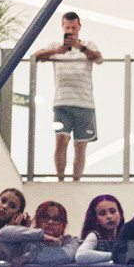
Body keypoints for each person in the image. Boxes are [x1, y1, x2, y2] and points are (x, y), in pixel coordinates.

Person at [34, 12, 102, 184]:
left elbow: (98, 58)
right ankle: (61, 179)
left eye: (73, 27)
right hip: (62, 102)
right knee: (61, 140)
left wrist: (80, 47)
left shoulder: (88, 45)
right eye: (67, 28)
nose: (70, 31)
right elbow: (36, 56)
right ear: (62, 27)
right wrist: (57, 51)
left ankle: (76, 181)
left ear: (79, 27)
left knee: (80, 145)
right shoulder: (55, 46)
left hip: (85, 103)